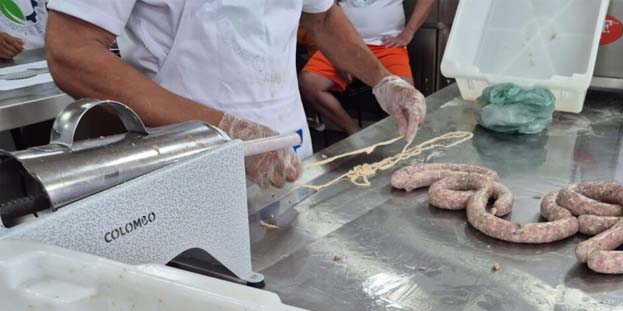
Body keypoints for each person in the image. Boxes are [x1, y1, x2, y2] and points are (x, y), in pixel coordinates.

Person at [44, 1, 426, 190]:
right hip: (186, 160)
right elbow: (71, 53)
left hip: (290, 154)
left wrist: (383, 80)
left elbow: (321, 16)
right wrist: (225, 130)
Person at [299, 0, 435, 136]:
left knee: (404, 94)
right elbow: (325, 11)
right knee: (309, 83)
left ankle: (395, 141)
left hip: (387, 46)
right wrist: (337, 57)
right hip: (343, 45)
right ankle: (355, 133)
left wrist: (408, 32)